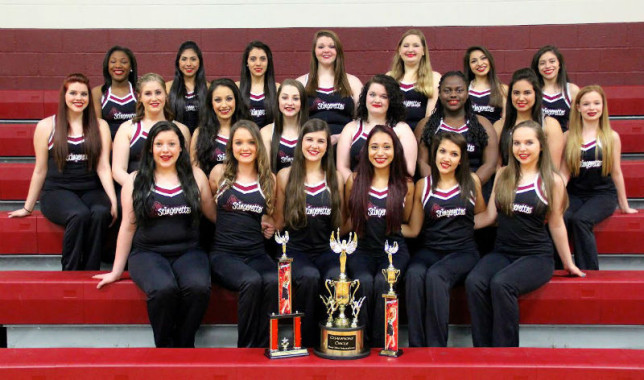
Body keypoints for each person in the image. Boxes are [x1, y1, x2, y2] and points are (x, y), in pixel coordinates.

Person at [94, 121, 216, 348]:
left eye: (172, 144)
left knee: (198, 287)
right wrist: (116, 271)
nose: (165, 150)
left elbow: (213, 214)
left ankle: (185, 342)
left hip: (188, 251)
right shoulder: (135, 179)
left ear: (181, 148)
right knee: (163, 289)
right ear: (150, 148)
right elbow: (128, 227)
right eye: (159, 144)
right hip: (148, 253)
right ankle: (165, 347)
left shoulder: (196, 176)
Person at [466, 120, 585, 347]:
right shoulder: (503, 175)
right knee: (475, 281)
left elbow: (557, 224)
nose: (522, 148)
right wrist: (455, 223)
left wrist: (568, 263)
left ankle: (506, 355)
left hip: (535, 256)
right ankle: (482, 352)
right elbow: (489, 216)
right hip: (502, 252)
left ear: (541, 145)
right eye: (517, 143)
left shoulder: (552, 180)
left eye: (529, 142)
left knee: (502, 284)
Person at [9, 73, 116, 270]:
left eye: (83, 94)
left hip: (91, 189)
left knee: (101, 212)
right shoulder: (46, 126)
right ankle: (70, 271)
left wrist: (113, 200)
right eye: (73, 93)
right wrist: (28, 207)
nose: (79, 98)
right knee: (79, 214)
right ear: (64, 96)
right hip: (58, 191)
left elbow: (103, 166)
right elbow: (40, 169)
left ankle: (91, 270)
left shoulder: (100, 126)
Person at [403, 132, 485, 347]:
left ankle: (437, 349)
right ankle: (417, 346)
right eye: (442, 151)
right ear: (434, 153)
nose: (446, 158)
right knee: (413, 274)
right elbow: (413, 229)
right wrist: (381, 224)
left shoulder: (471, 181)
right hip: (430, 250)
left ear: (461, 158)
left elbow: (481, 215)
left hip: (463, 251)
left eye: (454, 153)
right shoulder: (423, 185)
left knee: (436, 276)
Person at [273, 119, 344, 347]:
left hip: (326, 249)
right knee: (310, 277)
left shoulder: (336, 178)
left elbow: (341, 223)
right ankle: (304, 341)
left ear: (327, 146)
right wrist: (266, 223)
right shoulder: (285, 176)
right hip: (296, 250)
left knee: (335, 277)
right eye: (309, 139)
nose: (314, 145)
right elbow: (279, 220)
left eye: (321, 141)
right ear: (300, 142)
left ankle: (331, 340)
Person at [209, 120, 277, 348]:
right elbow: (211, 211)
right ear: (230, 147)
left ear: (259, 146)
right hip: (224, 255)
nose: (245, 148)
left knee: (274, 279)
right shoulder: (219, 173)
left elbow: (270, 217)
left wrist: (268, 224)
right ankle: (246, 349)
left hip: (256, 254)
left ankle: (265, 345)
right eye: (238, 142)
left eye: (250, 142)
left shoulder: (269, 180)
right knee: (251, 280)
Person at [345, 125, 414, 347]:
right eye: (374, 147)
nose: (380, 153)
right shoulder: (354, 181)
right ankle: (361, 343)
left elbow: (408, 223)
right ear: (366, 151)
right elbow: (348, 221)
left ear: (396, 151)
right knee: (364, 282)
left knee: (384, 283)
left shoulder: (406, 185)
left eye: (387, 147)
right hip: (362, 249)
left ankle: (383, 344)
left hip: (392, 252)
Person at [560, 85, 638, 270]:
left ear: (603, 106)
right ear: (578, 107)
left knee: (581, 220)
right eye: (586, 104)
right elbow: (564, 173)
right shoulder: (568, 136)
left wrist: (624, 206)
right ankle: (557, 268)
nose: (591, 108)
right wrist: (555, 200)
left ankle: (589, 271)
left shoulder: (611, 137)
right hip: (575, 194)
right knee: (561, 218)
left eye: (596, 103)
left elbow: (617, 171)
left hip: (602, 195)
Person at [417, 71, 498, 188]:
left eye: (459, 90)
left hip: (474, 189)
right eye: (447, 90)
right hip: (437, 189)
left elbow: (490, 164)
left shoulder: (483, 124)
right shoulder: (426, 125)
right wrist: (442, 187)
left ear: (467, 93)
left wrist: (469, 187)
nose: (453, 95)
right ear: (439, 94)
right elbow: (421, 163)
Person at [113, 73, 191, 188]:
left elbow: (185, 169)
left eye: (158, 92)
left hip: (172, 192)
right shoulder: (127, 128)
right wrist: (141, 190)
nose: (154, 98)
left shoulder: (181, 129)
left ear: (166, 95)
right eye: (148, 93)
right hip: (136, 190)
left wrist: (165, 193)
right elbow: (118, 171)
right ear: (139, 97)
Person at [336, 74, 417, 181]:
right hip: (357, 191)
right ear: (365, 97)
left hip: (391, 191)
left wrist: (380, 189)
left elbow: (409, 170)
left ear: (392, 101)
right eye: (372, 95)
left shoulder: (402, 129)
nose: (377, 100)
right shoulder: (351, 128)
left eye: (384, 96)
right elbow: (342, 167)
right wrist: (358, 187)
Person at [297, 30, 363, 143]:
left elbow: (362, 120)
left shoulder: (353, 82)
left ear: (338, 51)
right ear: (314, 51)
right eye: (321, 47)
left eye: (332, 46)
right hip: (312, 145)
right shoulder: (301, 83)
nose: (326, 50)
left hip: (345, 142)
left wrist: (339, 138)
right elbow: (293, 121)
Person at [495, 68, 563, 169]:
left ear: (536, 94)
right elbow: (497, 166)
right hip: (509, 182)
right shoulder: (500, 126)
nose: (521, 98)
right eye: (516, 93)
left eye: (527, 93)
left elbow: (553, 168)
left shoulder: (550, 125)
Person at [191, 78, 249, 177]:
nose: (224, 105)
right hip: (211, 189)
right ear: (211, 103)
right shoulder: (200, 133)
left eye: (229, 99)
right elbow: (196, 173)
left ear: (236, 100)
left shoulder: (248, 130)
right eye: (218, 100)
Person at [387, 29, 441, 131]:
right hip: (393, 135)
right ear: (399, 50)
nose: (410, 50)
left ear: (423, 51)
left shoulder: (434, 77)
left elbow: (430, 118)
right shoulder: (390, 77)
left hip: (420, 135)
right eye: (406, 46)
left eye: (416, 46)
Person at [260, 79, 308, 173]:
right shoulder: (266, 132)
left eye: (295, 98)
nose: (290, 103)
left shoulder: (311, 131)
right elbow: (266, 173)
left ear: (302, 102)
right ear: (278, 100)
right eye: (285, 98)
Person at [91, 46, 138, 139]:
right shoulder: (98, 93)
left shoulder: (140, 92)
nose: (118, 65)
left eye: (124, 62)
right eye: (113, 62)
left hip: (136, 145)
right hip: (109, 146)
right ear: (107, 66)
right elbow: (97, 129)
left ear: (131, 67)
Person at [531, 45, 580, 132]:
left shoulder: (572, 90)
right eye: (542, 63)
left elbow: (577, 123)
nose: (547, 66)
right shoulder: (532, 90)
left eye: (552, 61)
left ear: (559, 64)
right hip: (538, 141)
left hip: (564, 140)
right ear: (537, 68)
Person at [166, 41, 208, 133]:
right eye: (184, 59)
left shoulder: (209, 88)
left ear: (199, 62)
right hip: (176, 141)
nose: (188, 64)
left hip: (202, 142)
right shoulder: (167, 88)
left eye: (193, 59)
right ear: (178, 62)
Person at [237, 41, 279, 128]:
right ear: (246, 62)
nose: (258, 63)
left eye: (263, 59)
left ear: (268, 62)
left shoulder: (278, 88)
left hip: (268, 140)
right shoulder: (236, 87)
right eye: (253, 59)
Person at [464, 46, 508, 125]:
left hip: (494, 134)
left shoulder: (502, 89)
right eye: (474, 61)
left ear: (490, 60)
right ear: (469, 66)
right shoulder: (463, 89)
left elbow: (505, 119)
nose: (480, 64)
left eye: (483, 58)